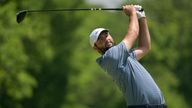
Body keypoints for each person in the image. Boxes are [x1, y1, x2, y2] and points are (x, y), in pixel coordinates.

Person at [89, 5, 167, 108]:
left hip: (159, 105)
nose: (106, 39)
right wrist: (132, 13)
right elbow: (133, 33)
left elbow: (145, 47)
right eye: (100, 39)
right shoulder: (111, 57)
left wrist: (141, 18)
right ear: (96, 47)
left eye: (106, 35)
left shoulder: (124, 57)